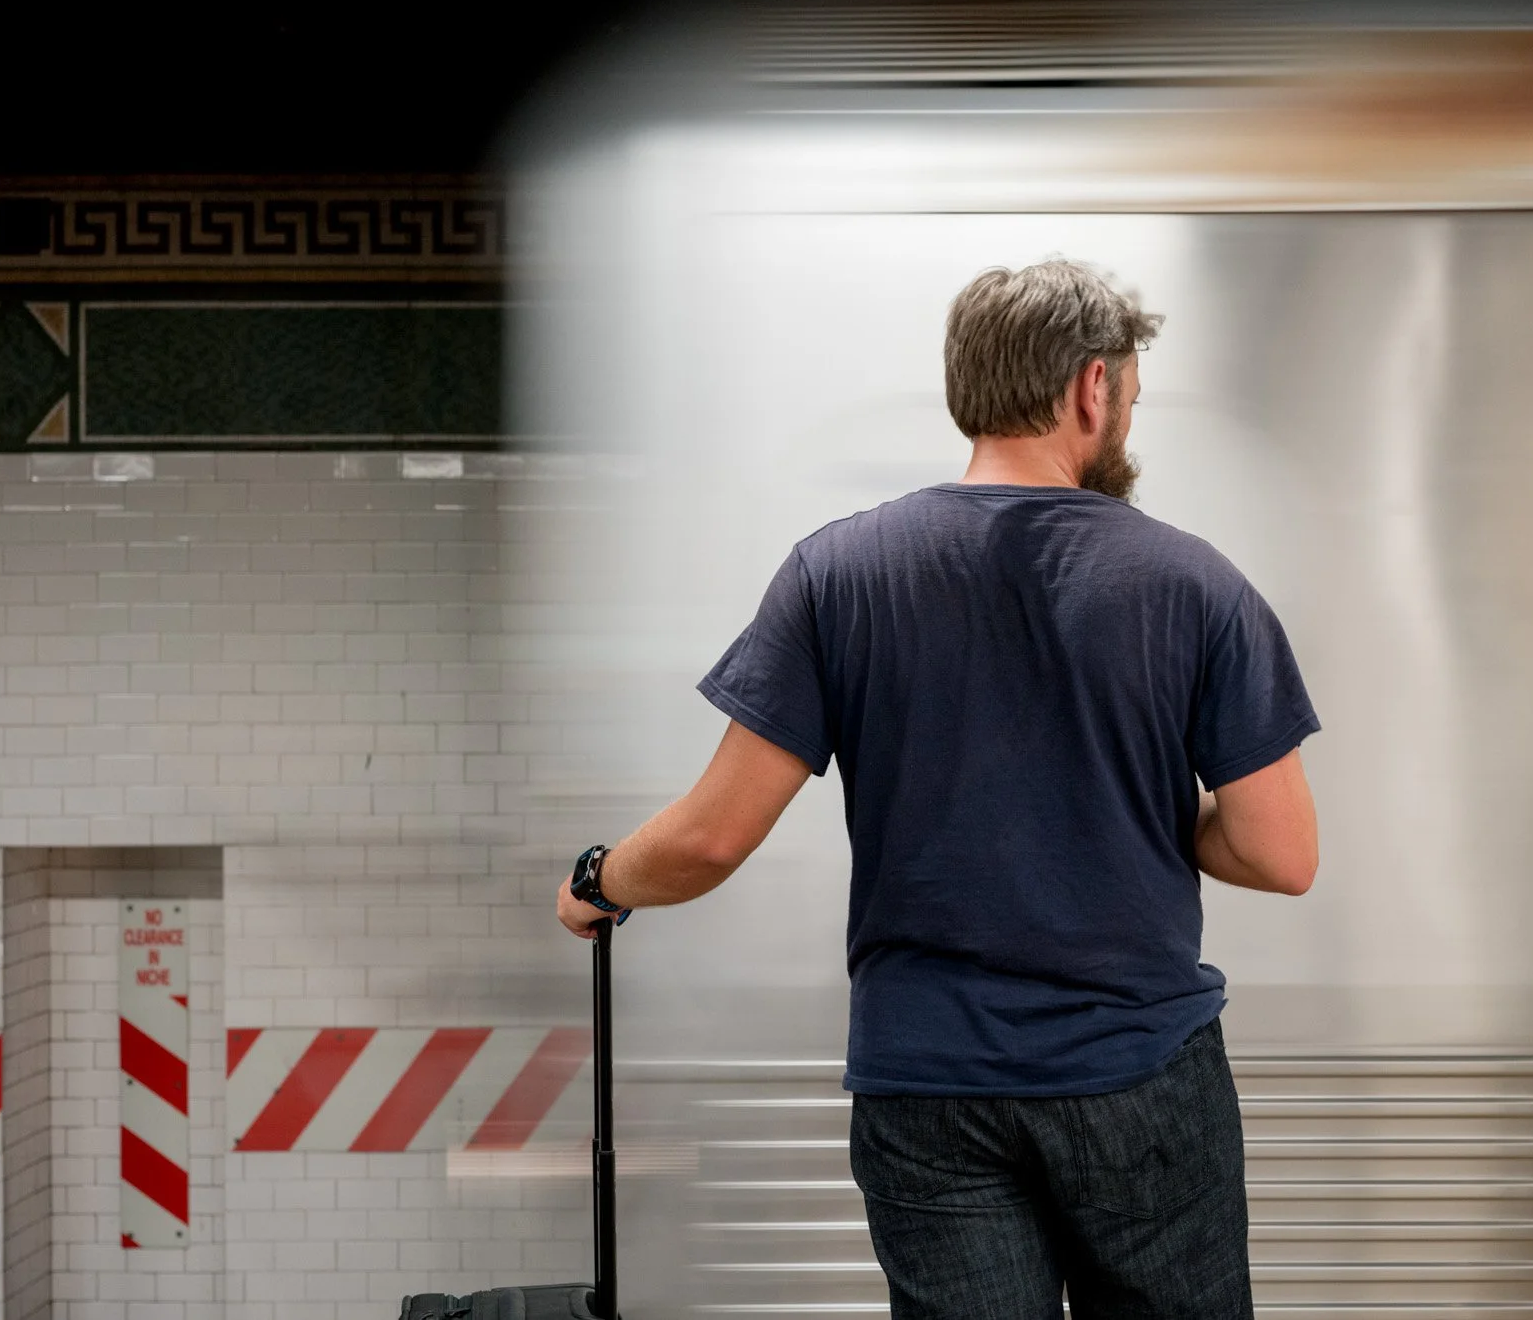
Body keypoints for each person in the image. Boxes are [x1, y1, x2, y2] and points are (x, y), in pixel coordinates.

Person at [557, 258, 1320, 1318]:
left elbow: (710, 838)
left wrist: (600, 879)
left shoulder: (838, 574)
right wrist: (1148, 803)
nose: (1126, 423)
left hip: (930, 1087)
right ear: (1091, 390)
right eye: (1130, 402)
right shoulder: (1195, 583)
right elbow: (1281, 854)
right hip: (1138, 1072)